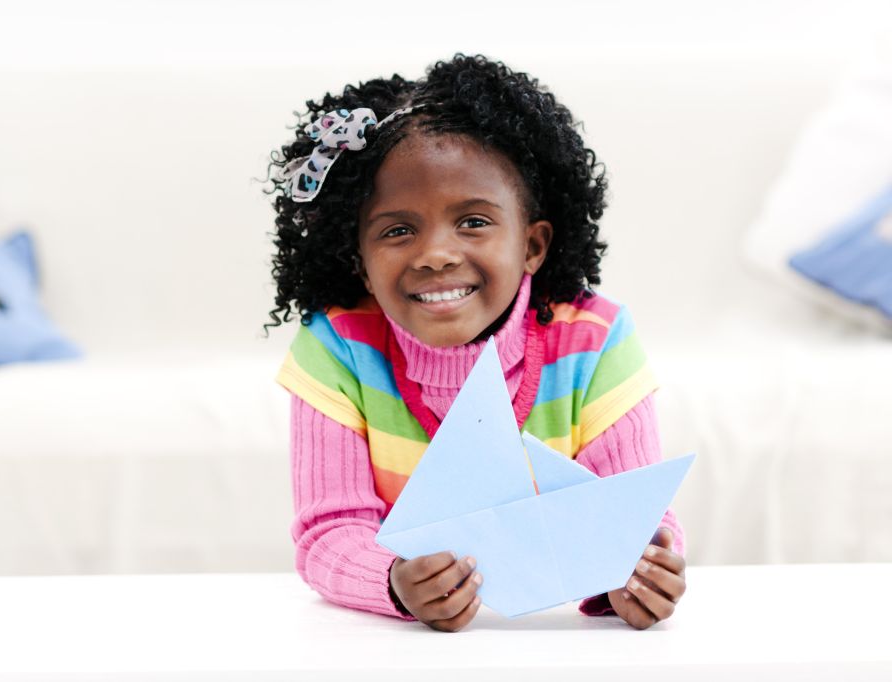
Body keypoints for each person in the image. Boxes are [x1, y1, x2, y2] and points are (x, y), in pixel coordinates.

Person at [265, 54, 686, 632]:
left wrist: (641, 572)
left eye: (473, 222)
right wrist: (393, 580)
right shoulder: (336, 346)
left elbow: (635, 514)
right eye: (397, 230)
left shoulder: (596, 340)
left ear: (532, 246)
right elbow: (329, 532)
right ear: (358, 261)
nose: (436, 253)